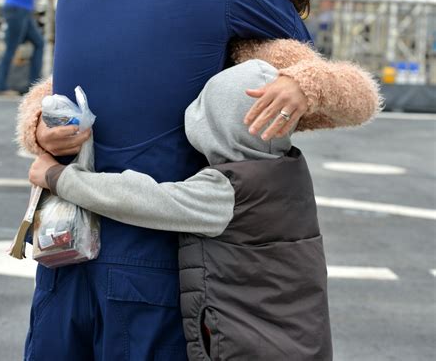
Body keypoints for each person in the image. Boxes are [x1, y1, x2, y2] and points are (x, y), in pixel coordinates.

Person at [18, 0, 378, 361]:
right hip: (152, 253)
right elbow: (297, 34)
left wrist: (38, 128)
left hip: (66, 244)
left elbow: (68, 85)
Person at [29, 57, 336, 360]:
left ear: (223, 126)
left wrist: (57, 177)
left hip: (249, 346)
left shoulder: (229, 193)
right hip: (293, 340)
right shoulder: (286, 173)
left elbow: (140, 199)